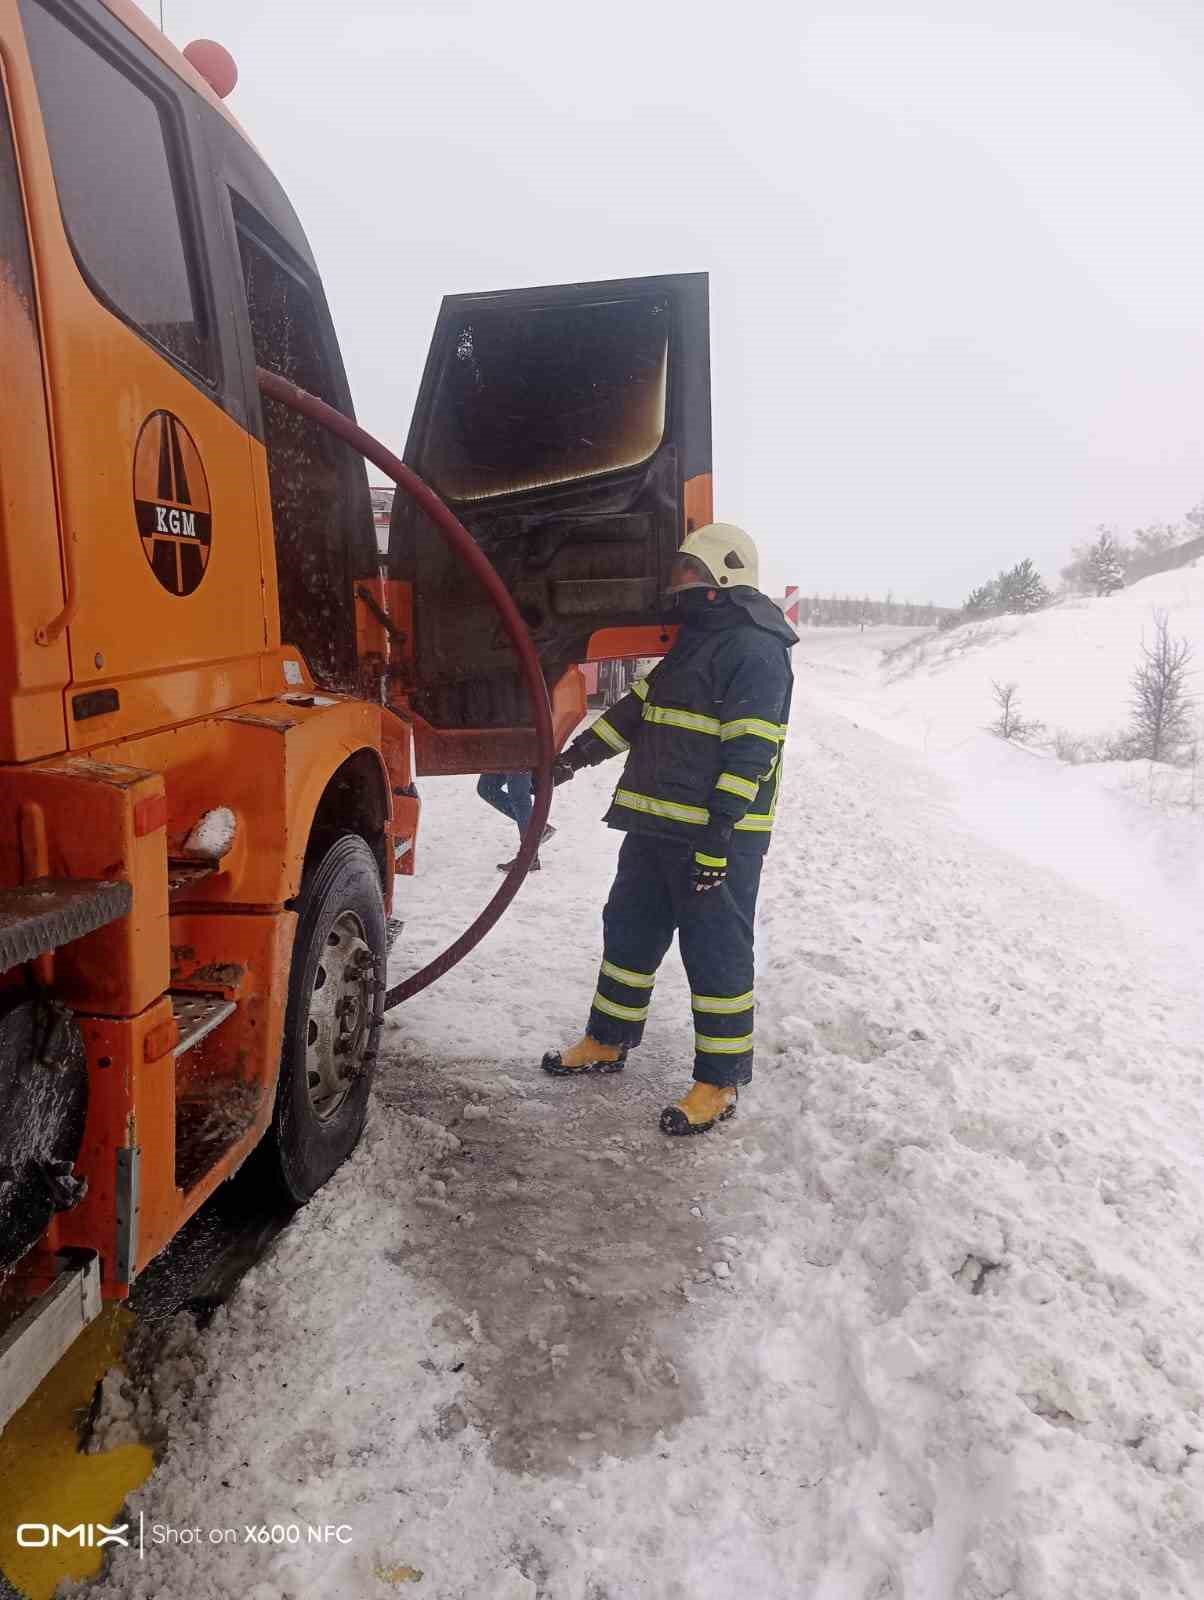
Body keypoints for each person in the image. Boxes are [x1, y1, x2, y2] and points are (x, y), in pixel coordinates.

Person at [541, 523, 796, 1134]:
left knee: (715, 953)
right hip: (655, 824)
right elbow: (635, 712)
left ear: (723, 579)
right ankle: (608, 1039)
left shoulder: (756, 651)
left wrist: (719, 839)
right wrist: (575, 758)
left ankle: (718, 1081)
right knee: (628, 930)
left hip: (715, 839)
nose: (677, 583)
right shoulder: (694, 644)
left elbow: (751, 754)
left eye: (690, 572)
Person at [477, 770, 555, 871]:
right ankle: (538, 827)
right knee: (487, 788)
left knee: (518, 795)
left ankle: (529, 858)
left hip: (524, 757)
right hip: (499, 756)